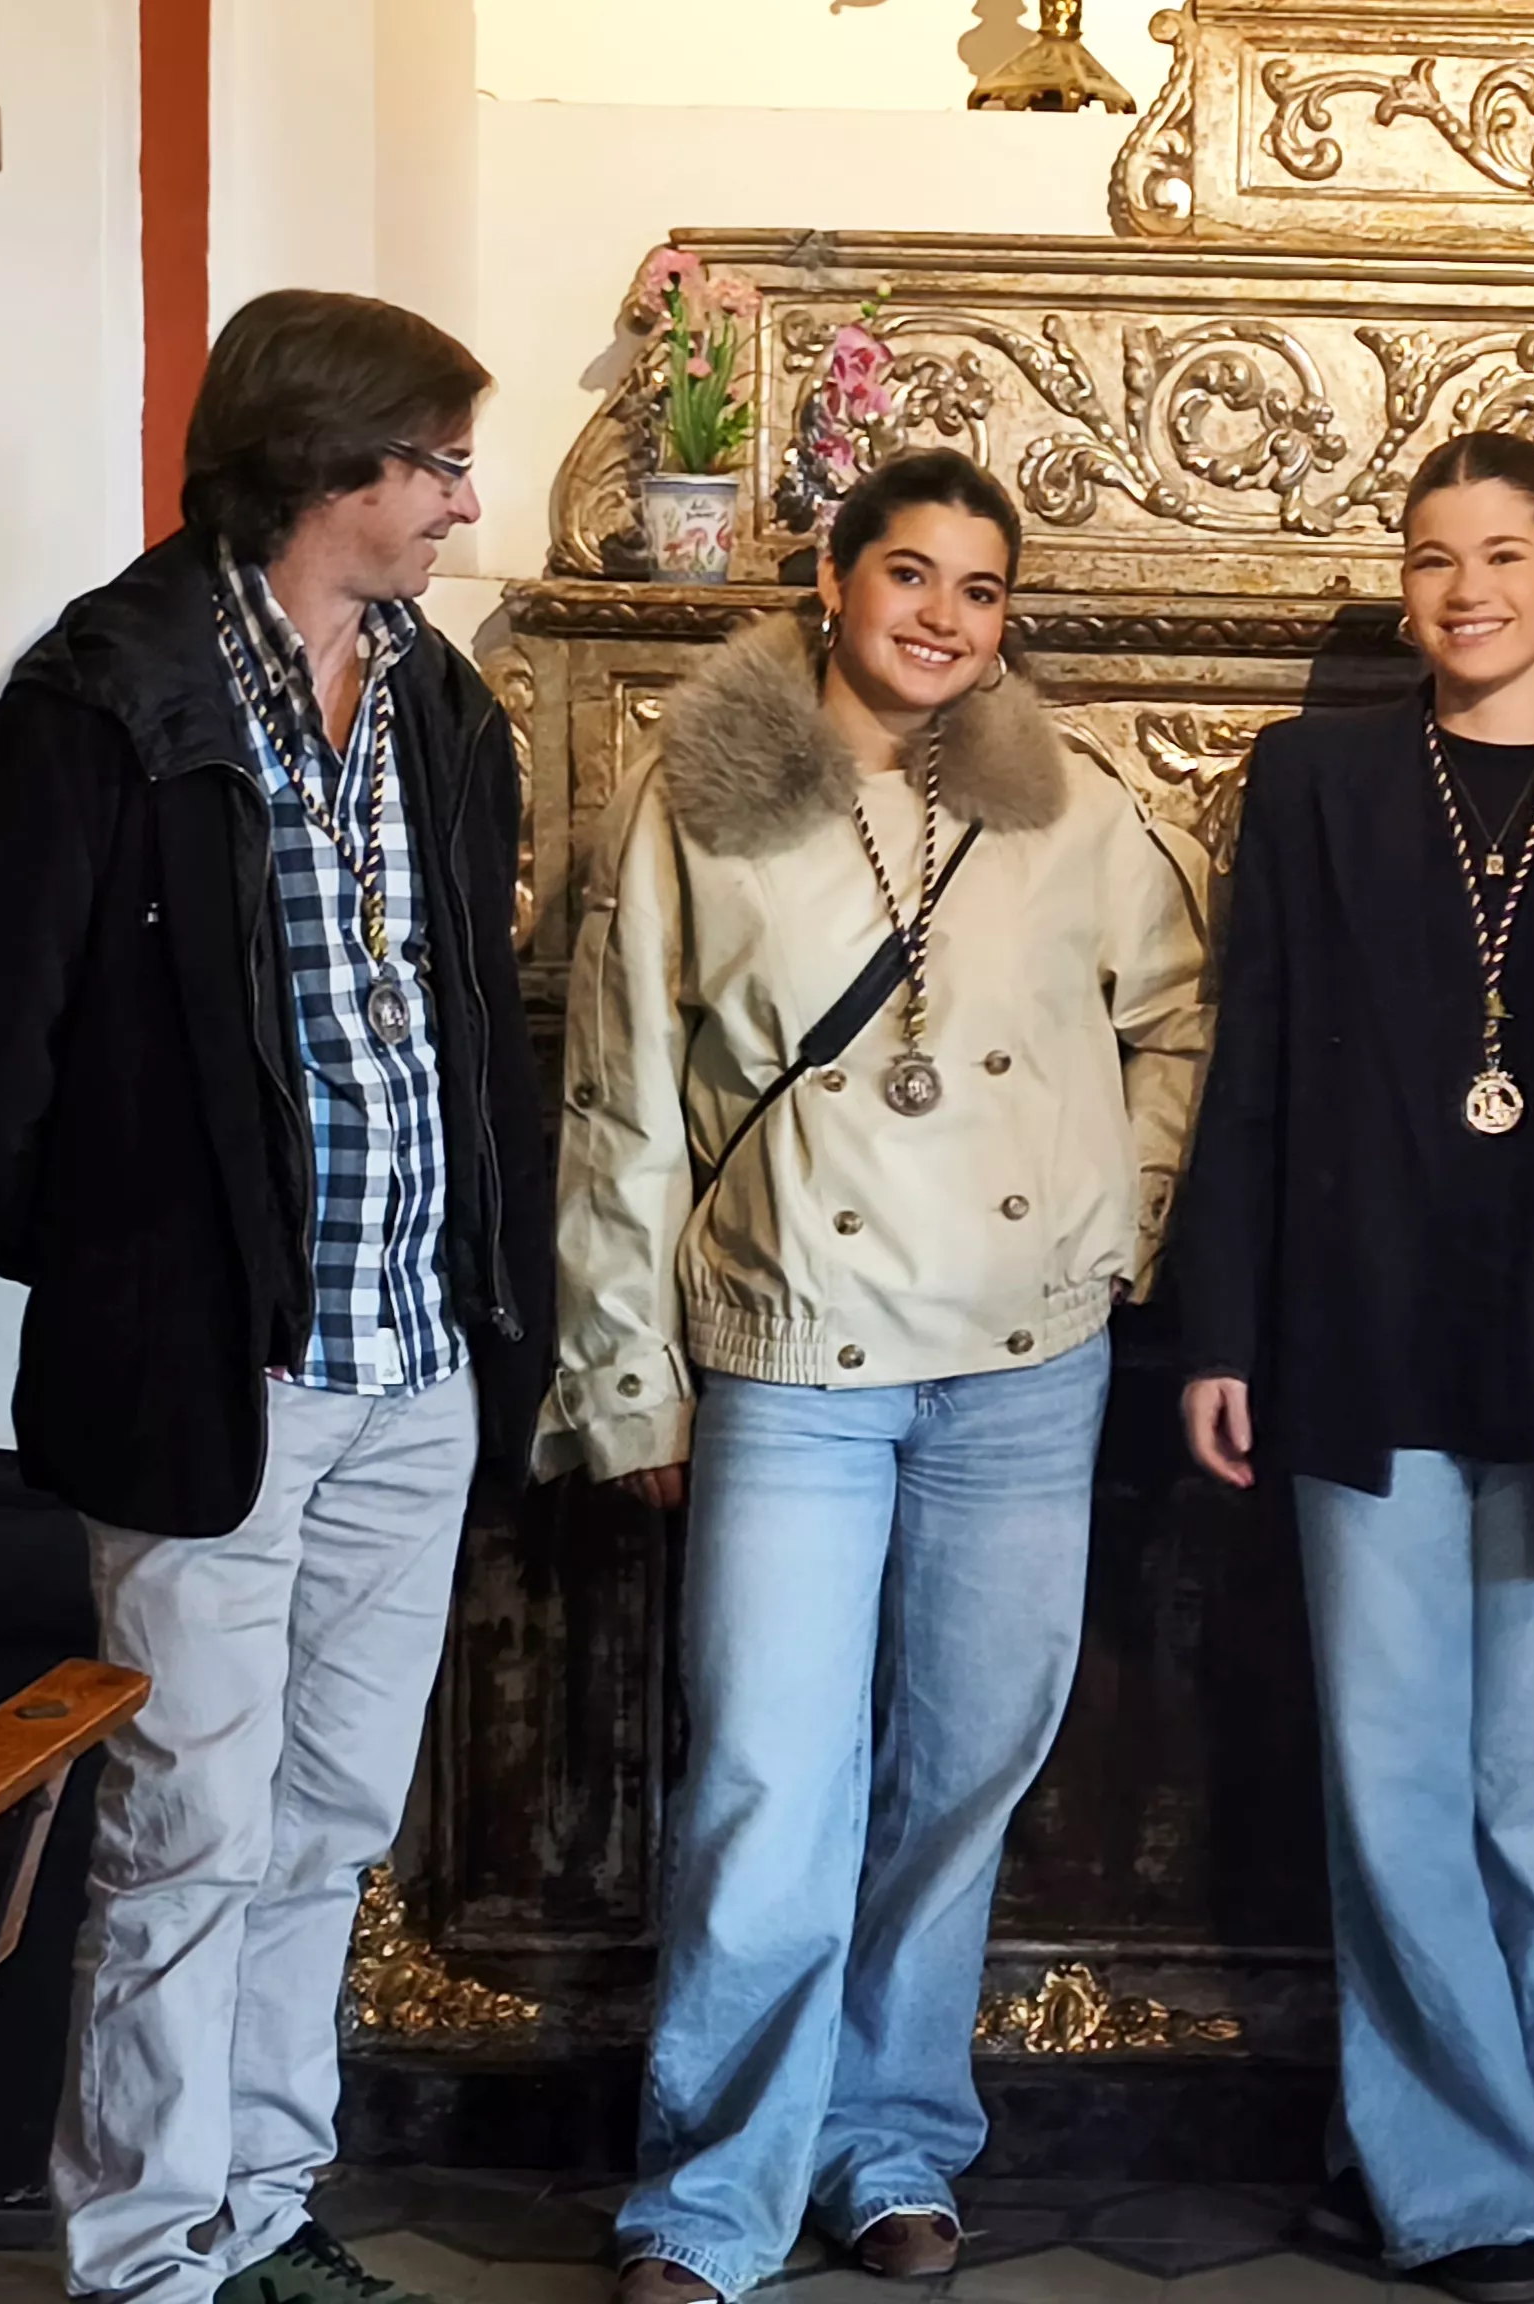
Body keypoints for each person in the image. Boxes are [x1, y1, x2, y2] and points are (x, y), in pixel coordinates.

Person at [0, 289, 549, 2304]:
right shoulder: (100, 711)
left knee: (329, 1826)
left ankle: (263, 2214)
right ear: (325, 464)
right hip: (218, 1385)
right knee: (188, 1832)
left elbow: (464, 1034)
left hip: (413, 1362)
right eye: (439, 464)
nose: (465, 502)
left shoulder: (441, 710)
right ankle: (151, 2260)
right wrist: (129, 1271)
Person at [545, 448, 1212, 2304]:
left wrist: (1119, 1223)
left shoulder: (1076, 807)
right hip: (792, 1355)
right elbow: (617, 1103)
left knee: (962, 1777)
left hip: (1025, 1365)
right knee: (772, 1779)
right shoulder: (695, 799)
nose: (942, 616)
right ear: (833, 580)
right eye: (909, 573)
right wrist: (625, 1376)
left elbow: (1181, 1021)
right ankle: (711, 2196)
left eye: (980, 590)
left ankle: (888, 2140)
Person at [1169, 431, 1534, 2304]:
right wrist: (1220, 1328)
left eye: (1505, 554)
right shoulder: (1322, 778)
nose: (1469, 589)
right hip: (1362, 1337)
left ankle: (1474, 2140)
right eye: (1434, 558)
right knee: (1395, 1778)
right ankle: (1470, 2181)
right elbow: (1251, 1060)